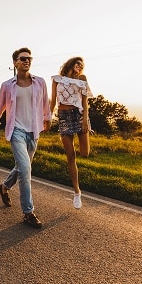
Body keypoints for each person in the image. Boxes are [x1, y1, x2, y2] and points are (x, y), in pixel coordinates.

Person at [0, 47, 51, 228]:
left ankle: (4, 187)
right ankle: (28, 212)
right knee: (26, 169)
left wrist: (47, 119)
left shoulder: (40, 82)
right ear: (14, 62)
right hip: (16, 131)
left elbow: (45, 103)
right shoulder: (7, 85)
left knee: (22, 167)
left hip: (34, 131)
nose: (26, 61)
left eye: (29, 58)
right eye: (22, 58)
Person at [50, 57, 92, 209]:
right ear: (70, 63)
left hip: (79, 115)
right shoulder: (57, 80)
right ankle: (76, 192)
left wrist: (85, 120)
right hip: (63, 117)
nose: (80, 66)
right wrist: (48, 118)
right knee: (70, 155)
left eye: (82, 65)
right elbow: (53, 101)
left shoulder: (82, 79)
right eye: (78, 63)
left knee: (85, 153)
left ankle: (77, 191)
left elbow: (85, 101)